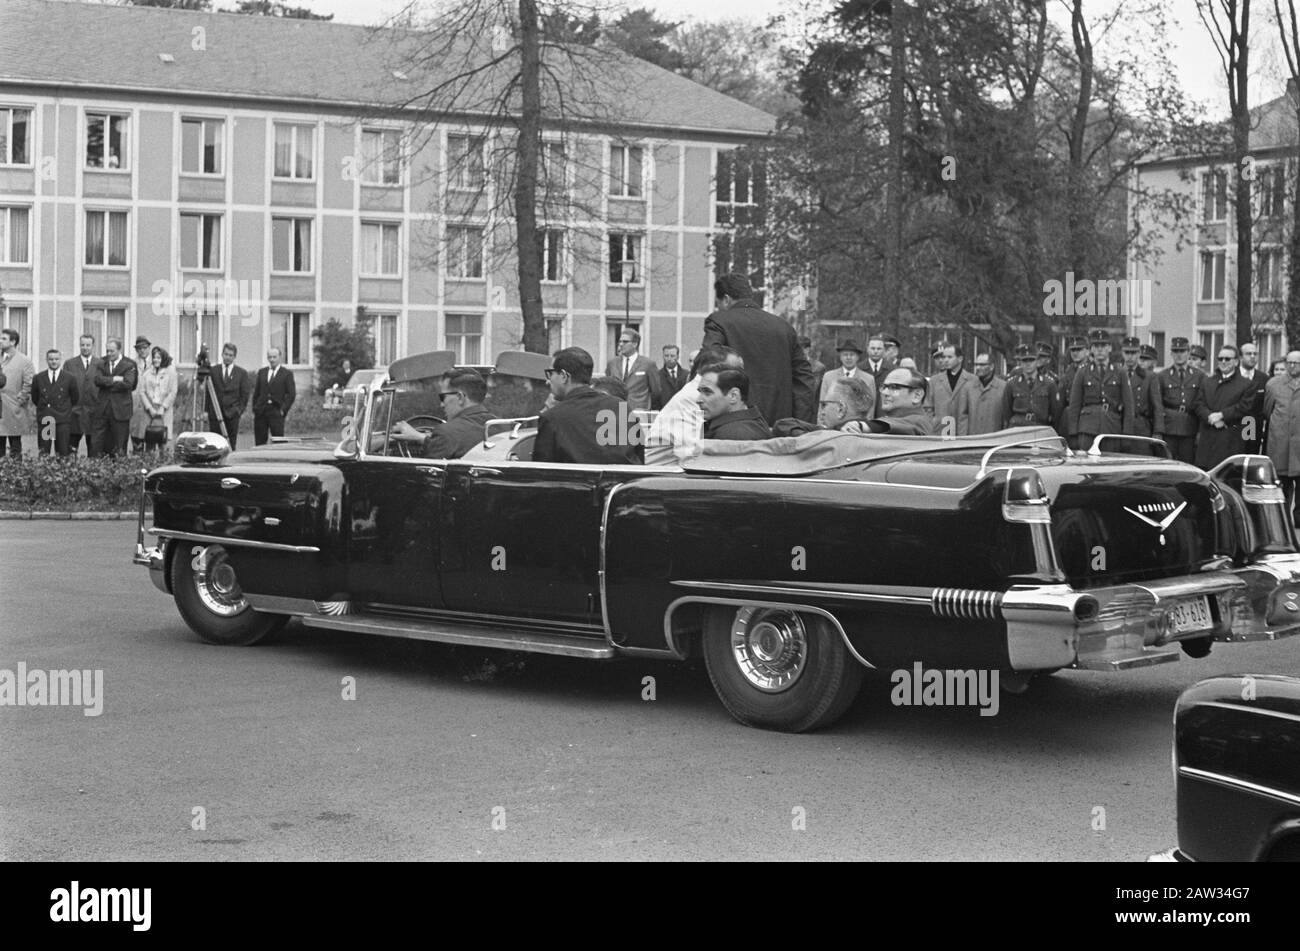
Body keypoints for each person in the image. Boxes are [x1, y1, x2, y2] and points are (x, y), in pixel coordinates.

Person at [702, 272, 815, 424]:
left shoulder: (719, 321)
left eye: (719, 303)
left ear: (727, 299)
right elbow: (804, 380)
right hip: (779, 428)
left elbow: (709, 363)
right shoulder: (784, 328)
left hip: (732, 427)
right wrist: (799, 425)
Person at [534, 347, 641, 465]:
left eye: (550, 373)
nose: (547, 381)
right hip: (625, 482)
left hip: (575, 482)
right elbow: (638, 461)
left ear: (564, 376)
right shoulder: (621, 408)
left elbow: (542, 473)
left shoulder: (552, 418)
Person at [645, 344, 742, 465]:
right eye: (735, 370)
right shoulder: (692, 398)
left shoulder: (698, 394)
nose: (742, 375)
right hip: (663, 477)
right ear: (713, 370)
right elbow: (691, 455)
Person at [391, 370, 496, 459]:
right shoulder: (504, 427)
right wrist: (422, 438)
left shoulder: (446, 432)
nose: (441, 404)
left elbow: (427, 477)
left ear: (460, 397)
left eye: (443, 397)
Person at [1068, 330, 1133, 450]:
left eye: (1103, 346)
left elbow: (1129, 406)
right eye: (1096, 346)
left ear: (1109, 348)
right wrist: (1073, 433)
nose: (1099, 349)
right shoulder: (1082, 372)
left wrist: (1127, 434)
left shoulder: (1120, 372)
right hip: (1087, 429)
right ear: (1091, 349)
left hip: (1111, 428)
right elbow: (1074, 405)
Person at [1194, 344, 1255, 470]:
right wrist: (1210, 417)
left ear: (1236, 361)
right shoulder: (1207, 382)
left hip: (1230, 442)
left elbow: (1244, 407)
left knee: (1228, 482)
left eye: (1227, 359)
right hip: (1207, 441)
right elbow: (1198, 404)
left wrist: (1222, 415)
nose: (1223, 362)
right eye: (1220, 359)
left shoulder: (1246, 384)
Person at [1153, 337, 1203, 465]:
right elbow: (1158, 405)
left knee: (1188, 465)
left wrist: (1200, 432)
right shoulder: (1162, 376)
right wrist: (1158, 431)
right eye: (1175, 351)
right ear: (1171, 353)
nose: (1179, 355)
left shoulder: (1199, 376)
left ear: (1188, 352)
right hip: (1169, 427)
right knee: (1167, 465)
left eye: (1182, 351)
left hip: (1189, 427)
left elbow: (1202, 404)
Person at [1265, 351, 1300, 524]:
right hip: (1280, 445)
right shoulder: (1273, 384)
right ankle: (1282, 521)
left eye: (1296, 363)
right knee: (1282, 485)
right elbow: (1266, 411)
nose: (1292, 366)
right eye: (1289, 362)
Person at [698, 366, 771, 440]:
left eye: (707, 392)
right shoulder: (750, 423)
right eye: (700, 392)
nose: (698, 400)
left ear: (733, 396)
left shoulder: (732, 434)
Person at [92, 336, 137, 457]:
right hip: (103, 409)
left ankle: (119, 472)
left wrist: (106, 383)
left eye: (112, 351)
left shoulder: (129, 364)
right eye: (107, 351)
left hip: (121, 410)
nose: (109, 354)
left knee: (120, 445)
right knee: (98, 444)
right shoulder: (102, 362)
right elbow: (97, 380)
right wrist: (114, 379)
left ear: (119, 350)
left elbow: (129, 384)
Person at [30, 349, 79, 457]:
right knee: (44, 451)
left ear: (60, 360)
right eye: (51, 359)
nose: (53, 361)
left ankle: (62, 473)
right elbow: (35, 397)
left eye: (56, 359)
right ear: (46, 360)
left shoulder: (69, 378)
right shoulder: (38, 378)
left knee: (62, 452)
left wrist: (64, 410)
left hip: (62, 419)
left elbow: (75, 398)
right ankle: (44, 473)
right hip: (47, 419)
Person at [604, 328, 661, 414]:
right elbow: (607, 386)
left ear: (635, 344)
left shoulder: (648, 364)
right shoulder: (612, 363)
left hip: (639, 412)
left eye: (625, 342)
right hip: (615, 410)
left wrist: (646, 407)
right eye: (620, 341)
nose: (621, 344)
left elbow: (656, 391)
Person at [1003, 344, 1060, 429]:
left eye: (1031, 360)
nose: (1028, 364)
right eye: (1025, 360)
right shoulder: (1011, 384)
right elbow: (1006, 412)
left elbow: (1055, 412)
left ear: (1037, 361)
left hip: (1040, 427)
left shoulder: (1049, 384)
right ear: (1020, 362)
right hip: (1017, 428)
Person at [868, 368, 938, 435]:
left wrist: (863, 426)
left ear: (917, 395)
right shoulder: (893, 420)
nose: (885, 393)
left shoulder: (920, 423)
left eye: (894, 387)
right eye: (884, 387)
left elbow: (900, 425)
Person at [207, 343, 251, 447]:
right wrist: (206, 411)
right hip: (215, 414)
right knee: (214, 442)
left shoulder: (241, 373)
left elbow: (244, 394)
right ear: (222, 354)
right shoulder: (213, 371)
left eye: (231, 355)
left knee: (230, 443)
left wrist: (239, 410)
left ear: (234, 357)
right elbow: (208, 392)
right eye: (226, 354)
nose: (228, 357)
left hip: (232, 414)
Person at [926, 342, 976, 431]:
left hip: (963, 432)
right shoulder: (934, 381)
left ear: (960, 359)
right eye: (944, 357)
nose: (945, 360)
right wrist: (933, 423)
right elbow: (927, 408)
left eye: (949, 357)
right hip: (940, 432)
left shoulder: (972, 380)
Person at [252, 347, 297, 446]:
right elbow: (256, 393)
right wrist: (255, 408)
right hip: (261, 412)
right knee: (260, 442)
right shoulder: (262, 372)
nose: (272, 359)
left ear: (280, 357)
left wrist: (283, 410)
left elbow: (291, 394)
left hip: (276, 412)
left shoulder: (286, 374)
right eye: (270, 357)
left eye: (274, 357)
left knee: (278, 441)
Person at [820, 338, 876, 417]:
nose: (848, 358)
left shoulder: (868, 379)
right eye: (845, 354)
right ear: (840, 357)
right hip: (833, 423)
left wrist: (865, 426)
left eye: (852, 355)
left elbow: (870, 408)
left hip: (857, 425)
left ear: (857, 357)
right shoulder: (829, 377)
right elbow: (823, 404)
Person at [0, 328, 34, 457]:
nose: (0, 341)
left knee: (15, 446)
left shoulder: (24, 361)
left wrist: (19, 401)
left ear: (13, 342)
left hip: (14, 409)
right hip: (0, 410)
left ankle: (16, 474)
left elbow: (29, 383)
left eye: (4, 339)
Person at [954, 352, 1008, 434]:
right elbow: (962, 417)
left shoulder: (1003, 387)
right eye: (976, 365)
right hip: (972, 440)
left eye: (982, 365)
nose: (978, 368)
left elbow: (1006, 418)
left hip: (994, 440)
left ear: (991, 367)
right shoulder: (967, 388)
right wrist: (963, 439)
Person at [139, 346, 178, 451]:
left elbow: (173, 392)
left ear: (163, 358)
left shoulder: (170, 372)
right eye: (154, 357)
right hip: (149, 411)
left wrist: (163, 407)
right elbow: (142, 392)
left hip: (164, 411)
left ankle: (163, 464)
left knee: (163, 442)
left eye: (158, 358)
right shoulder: (147, 373)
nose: (156, 360)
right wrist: (149, 408)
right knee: (149, 442)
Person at [66, 334, 100, 456]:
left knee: (93, 448)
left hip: (93, 412)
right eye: (82, 345)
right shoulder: (70, 364)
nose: (85, 348)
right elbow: (66, 388)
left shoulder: (100, 363)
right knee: (71, 447)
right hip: (75, 412)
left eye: (88, 345)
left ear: (93, 346)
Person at [1238, 342, 1268, 454]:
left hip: (1253, 426)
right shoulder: (1233, 375)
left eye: (1255, 354)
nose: (1252, 357)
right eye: (1248, 354)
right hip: (1234, 425)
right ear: (1241, 356)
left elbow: (1266, 404)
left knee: (1250, 456)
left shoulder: (1263, 378)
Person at [129, 336, 154, 453]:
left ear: (149, 348)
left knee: (151, 441)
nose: (142, 351)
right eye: (139, 348)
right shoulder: (132, 364)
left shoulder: (156, 363)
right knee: (136, 438)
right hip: (136, 405)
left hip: (151, 406)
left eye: (144, 348)